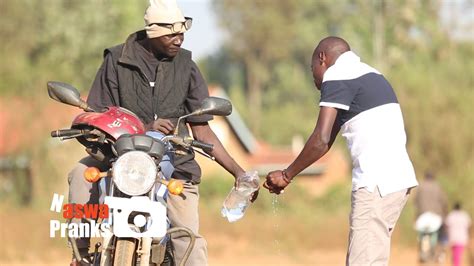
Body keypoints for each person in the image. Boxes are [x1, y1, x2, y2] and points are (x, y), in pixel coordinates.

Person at [68, 0, 255, 265]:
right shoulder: (116, 60)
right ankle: (81, 254)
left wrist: (239, 172)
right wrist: (145, 127)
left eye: (182, 33)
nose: (179, 40)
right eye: (172, 34)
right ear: (152, 31)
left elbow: (202, 130)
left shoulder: (187, 66)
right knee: (79, 175)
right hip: (116, 159)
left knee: (188, 240)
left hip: (174, 163)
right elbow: (98, 114)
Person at [263, 36, 418, 265]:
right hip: (395, 183)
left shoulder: (338, 73)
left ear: (322, 59)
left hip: (376, 184)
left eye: (312, 68)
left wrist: (286, 175)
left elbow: (320, 138)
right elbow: (326, 142)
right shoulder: (370, 74)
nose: (314, 76)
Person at [414, 171, 449, 262]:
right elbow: (444, 202)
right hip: (435, 217)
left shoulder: (420, 186)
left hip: (422, 217)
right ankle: (434, 252)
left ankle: (422, 251)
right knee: (437, 234)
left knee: (421, 235)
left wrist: (416, 215)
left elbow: (415, 202)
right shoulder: (437, 186)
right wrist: (445, 214)